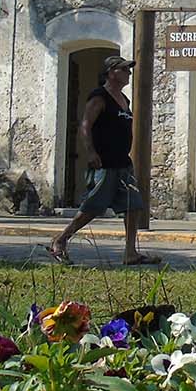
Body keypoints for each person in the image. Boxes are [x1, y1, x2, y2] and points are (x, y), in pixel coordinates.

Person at [47, 55, 159, 266]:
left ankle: (130, 253)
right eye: (124, 69)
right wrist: (90, 152)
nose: (129, 73)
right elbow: (85, 126)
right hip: (105, 163)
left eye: (129, 69)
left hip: (122, 163)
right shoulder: (99, 97)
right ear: (111, 72)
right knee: (92, 207)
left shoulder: (124, 100)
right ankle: (60, 240)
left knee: (133, 206)